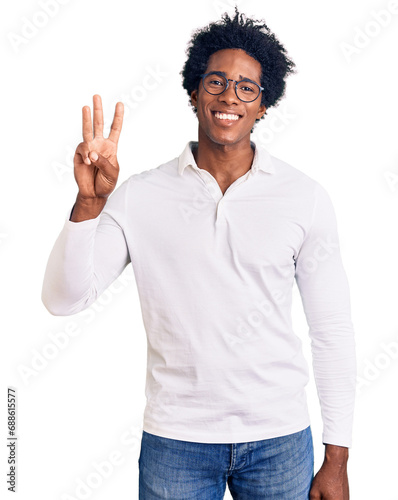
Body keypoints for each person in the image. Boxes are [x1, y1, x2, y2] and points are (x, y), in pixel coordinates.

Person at [42, 8, 356, 500]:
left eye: (246, 88)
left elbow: (331, 328)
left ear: (263, 105)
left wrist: (336, 457)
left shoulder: (304, 197)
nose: (229, 95)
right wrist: (88, 205)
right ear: (193, 93)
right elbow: (63, 299)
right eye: (216, 81)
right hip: (176, 442)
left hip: (279, 438)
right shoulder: (139, 196)